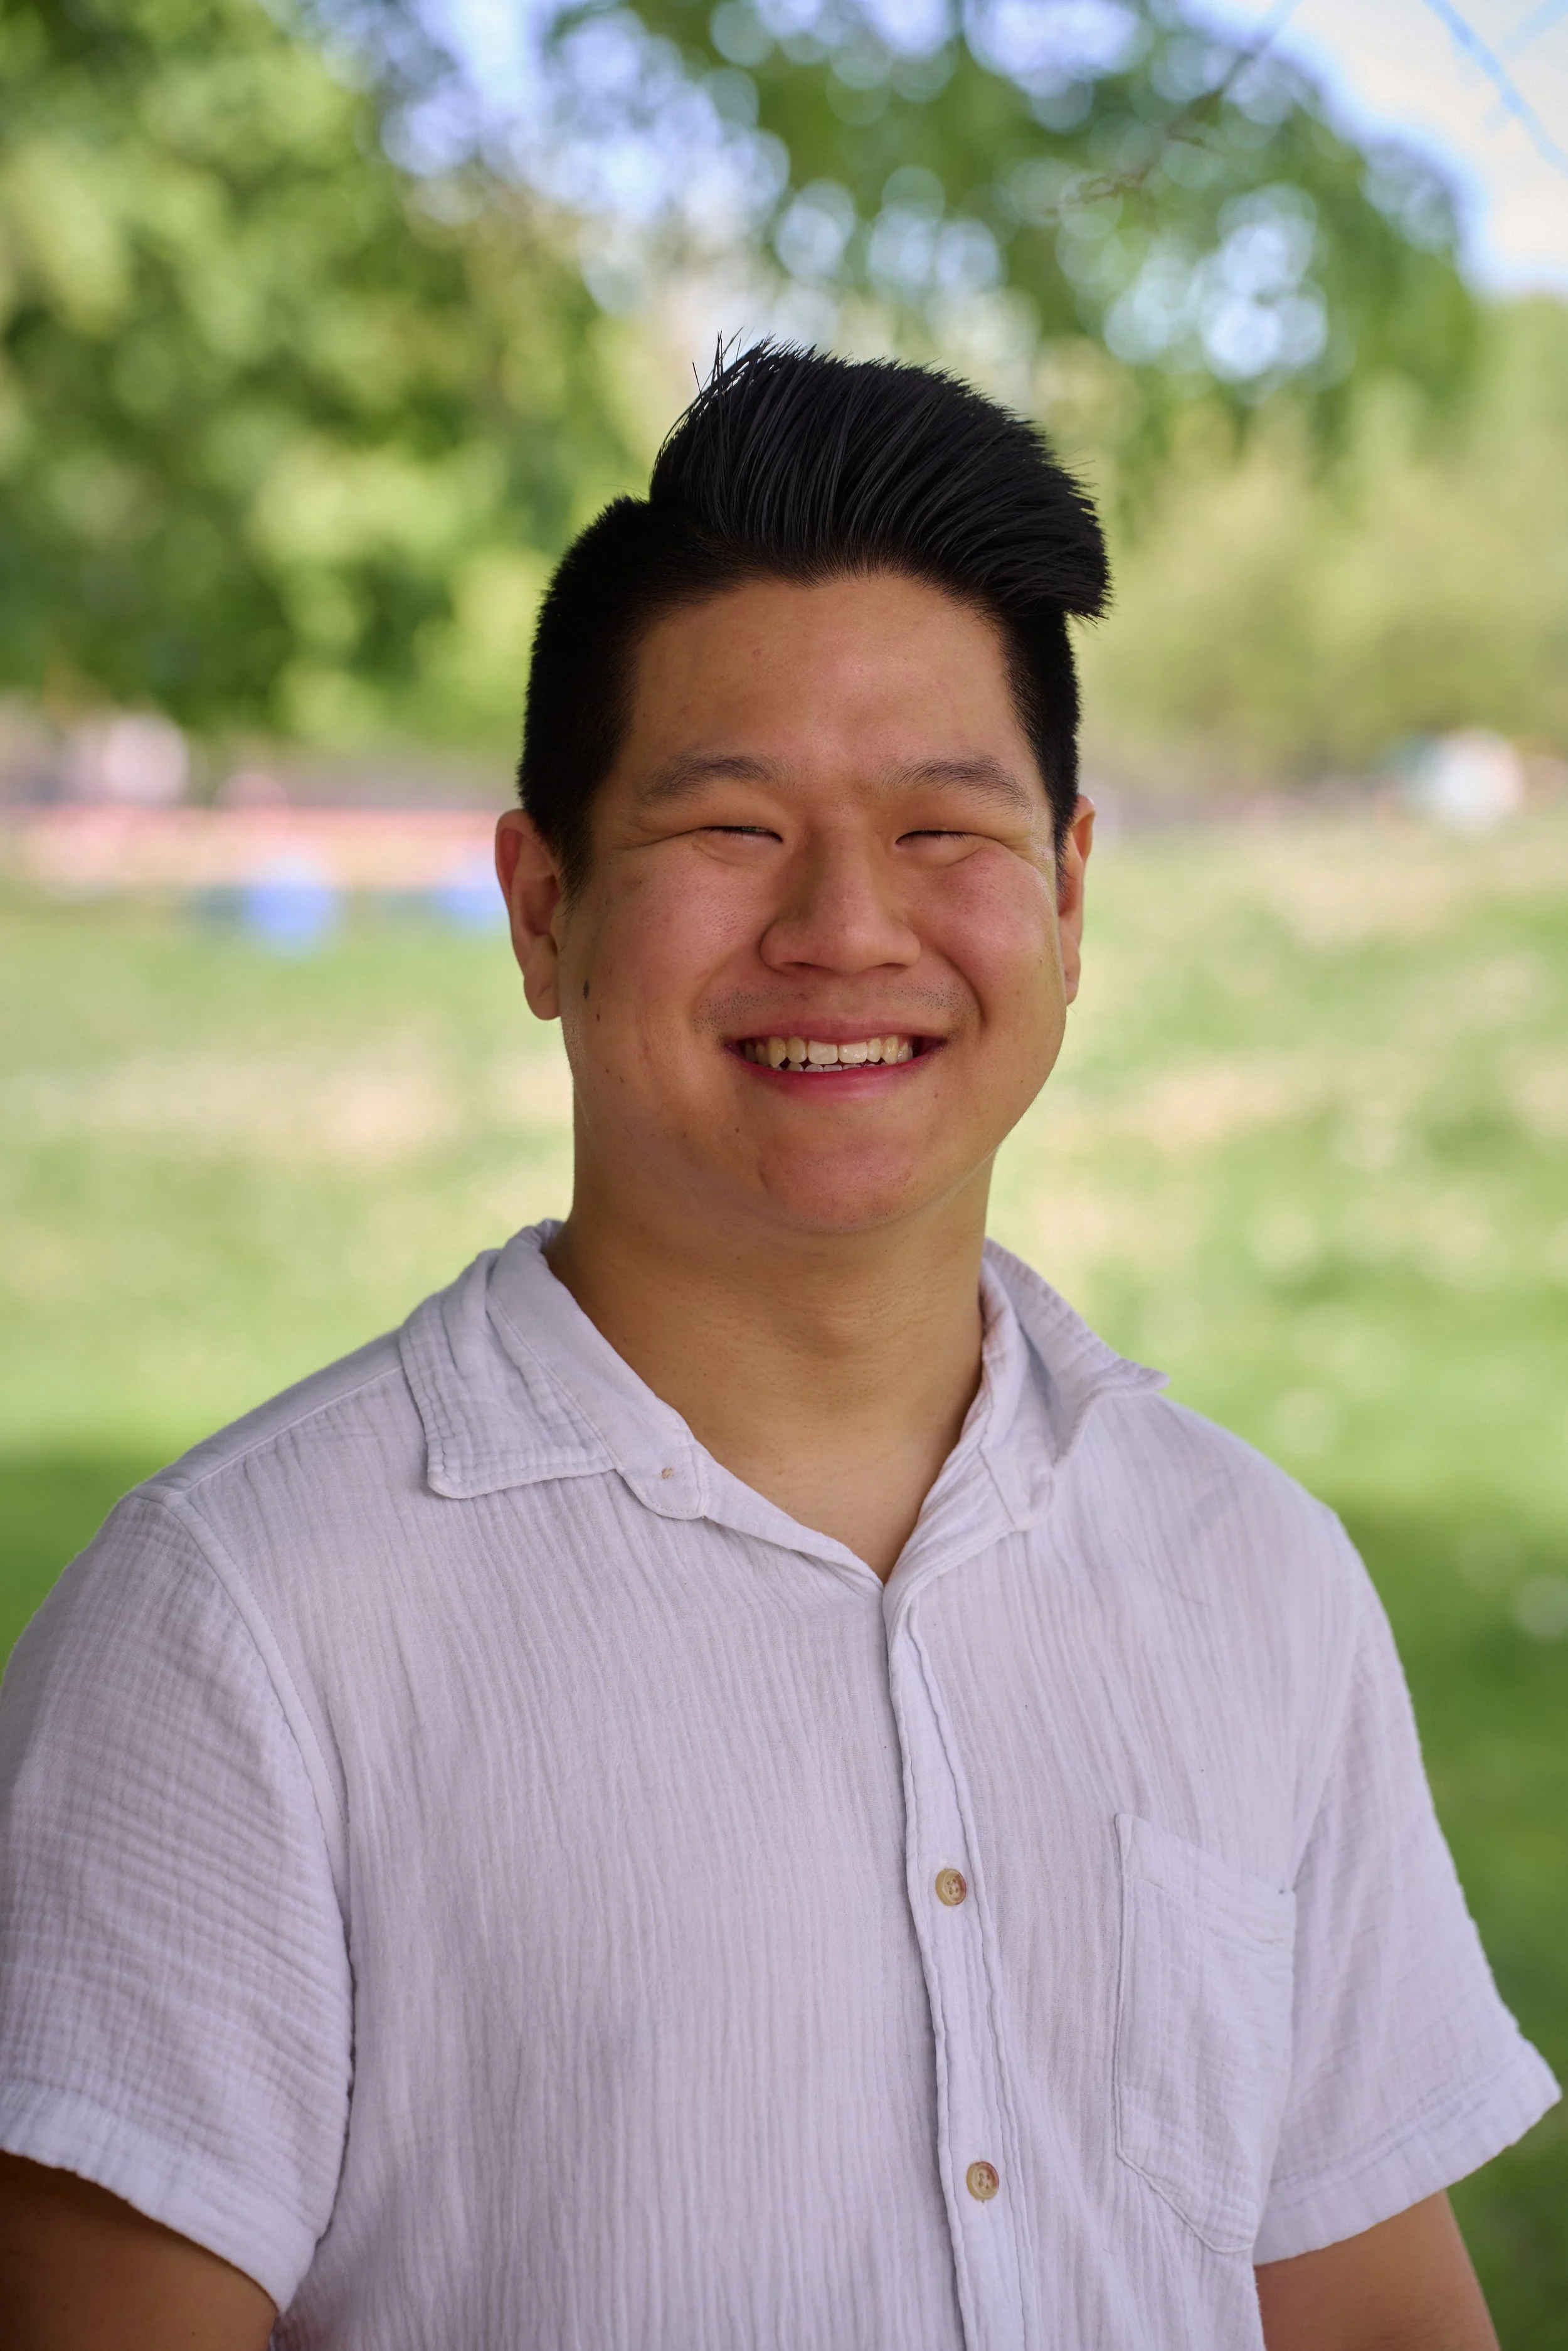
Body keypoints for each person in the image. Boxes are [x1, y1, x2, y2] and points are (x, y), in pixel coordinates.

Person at [0, 345, 1555, 2351]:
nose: (843, 926)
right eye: (732, 829)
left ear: (1070, 900)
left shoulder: (1251, 1572)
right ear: (542, 905)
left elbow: (1369, 2312)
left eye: (942, 831)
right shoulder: (241, 1623)